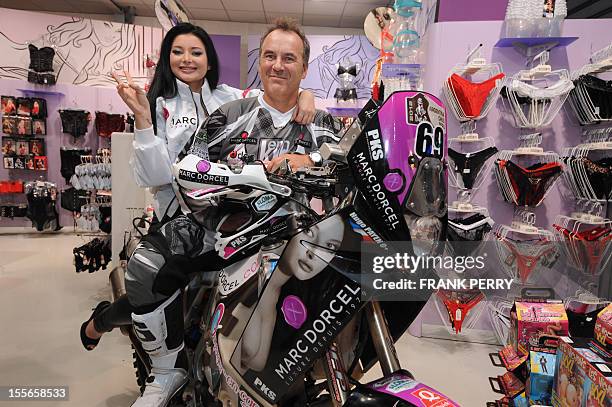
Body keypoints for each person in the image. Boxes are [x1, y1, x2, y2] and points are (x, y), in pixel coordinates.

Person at [85, 19, 337, 407]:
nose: (278, 65)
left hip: (292, 233)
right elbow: (190, 168)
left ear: (304, 68)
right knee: (147, 265)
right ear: (260, 63)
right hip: (217, 227)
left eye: (290, 58)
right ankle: (168, 371)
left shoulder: (323, 124)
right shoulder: (230, 113)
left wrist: (311, 157)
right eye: (269, 56)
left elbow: (343, 168)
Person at [239, 214, 345, 373]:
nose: (313, 252)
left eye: (329, 247)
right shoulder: (252, 280)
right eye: (309, 231)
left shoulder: (275, 295)